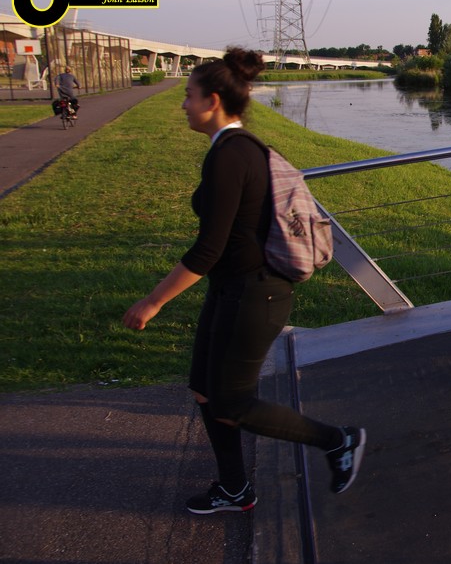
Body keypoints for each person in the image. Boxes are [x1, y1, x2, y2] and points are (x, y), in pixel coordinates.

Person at [123, 47, 366, 514]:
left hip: (256, 294)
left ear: (213, 100)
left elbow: (207, 250)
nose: (183, 104)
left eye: (189, 95)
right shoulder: (235, 149)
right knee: (205, 389)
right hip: (232, 289)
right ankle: (234, 488)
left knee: (232, 402)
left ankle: (338, 441)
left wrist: (153, 302)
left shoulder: (231, 156)